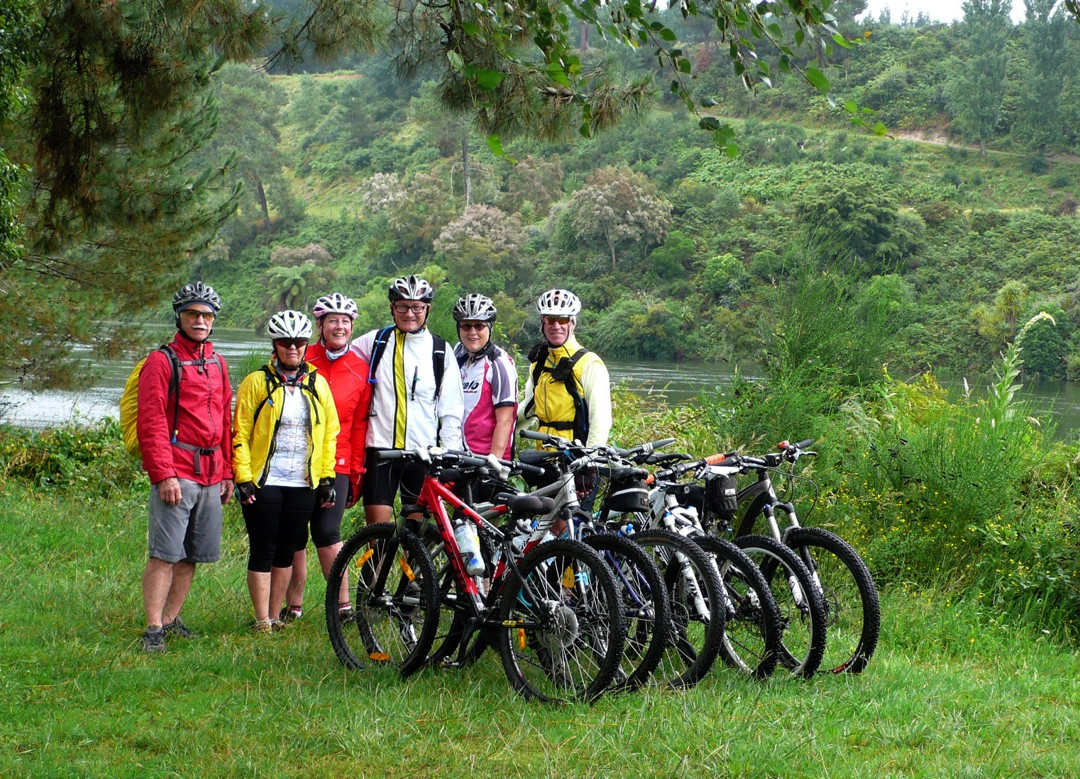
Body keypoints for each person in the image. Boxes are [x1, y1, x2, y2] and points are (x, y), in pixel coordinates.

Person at [137, 281, 234, 654]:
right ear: (179, 316)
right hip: (178, 471)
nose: (200, 320)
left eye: (207, 315)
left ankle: (171, 618)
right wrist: (163, 474)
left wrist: (226, 472)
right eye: (193, 314)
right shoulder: (162, 362)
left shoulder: (218, 362)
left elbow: (225, 418)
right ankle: (153, 628)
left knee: (193, 554)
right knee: (165, 553)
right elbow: (151, 422)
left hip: (211, 472)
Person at [232, 310, 340, 633]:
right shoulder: (256, 382)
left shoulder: (317, 384)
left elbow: (330, 433)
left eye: (299, 342)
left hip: (302, 483)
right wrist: (243, 478)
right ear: (275, 345)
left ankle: (275, 616)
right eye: (285, 342)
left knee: (286, 550)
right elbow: (239, 433)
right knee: (263, 549)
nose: (292, 348)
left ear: (306, 345)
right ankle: (261, 620)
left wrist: (327, 477)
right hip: (265, 482)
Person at [280, 293, 371, 623]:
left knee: (327, 531)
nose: (340, 326)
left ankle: (342, 606)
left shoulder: (361, 368)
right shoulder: (302, 358)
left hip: (339, 461)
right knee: (293, 533)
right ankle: (293, 606)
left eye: (345, 321)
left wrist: (357, 472)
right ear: (319, 324)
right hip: (297, 459)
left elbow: (360, 424)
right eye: (332, 320)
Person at [350, 275, 465, 526]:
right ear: (392, 308)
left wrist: (450, 458)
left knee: (415, 537)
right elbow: (341, 364)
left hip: (421, 455)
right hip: (381, 452)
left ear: (427, 309)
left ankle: (410, 567)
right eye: (402, 306)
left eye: (417, 307)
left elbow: (452, 411)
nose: (409, 313)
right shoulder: (375, 342)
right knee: (377, 535)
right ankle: (377, 567)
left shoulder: (440, 350)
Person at [518, 288, 612, 448]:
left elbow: (600, 420)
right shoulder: (539, 363)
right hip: (543, 456)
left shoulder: (589, 363)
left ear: (572, 323)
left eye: (562, 320)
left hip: (574, 456)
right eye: (550, 320)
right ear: (542, 322)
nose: (556, 326)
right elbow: (529, 406)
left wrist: (591, 459)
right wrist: (503, 428)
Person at [453, 293, 517, 459]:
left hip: (486, 460)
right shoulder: (457, 355)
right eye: (466, 326)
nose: (472, 332)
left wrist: (493, 464)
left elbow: (505, 421)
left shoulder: (499, 363)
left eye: (479, 326)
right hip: (460, 456)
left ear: (489, 327)